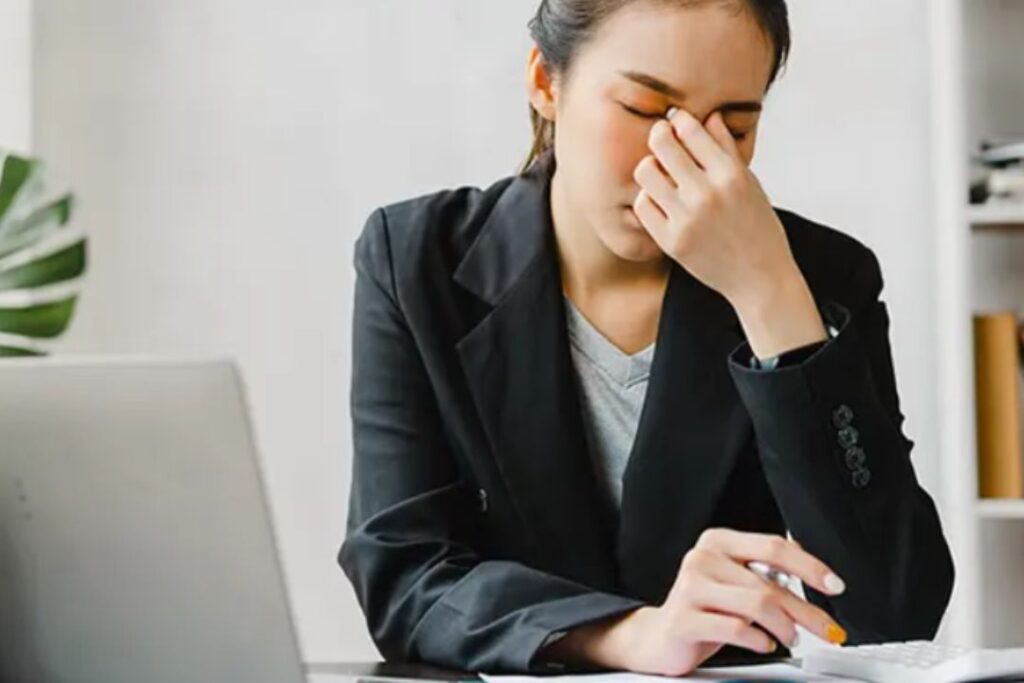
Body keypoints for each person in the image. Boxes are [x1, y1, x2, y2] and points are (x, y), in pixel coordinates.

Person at [338, 0, 955, 676]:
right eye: (643, 110)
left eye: (735, 128)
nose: (680, 159)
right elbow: (403, 575)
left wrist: (768, 294)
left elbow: (896, 614)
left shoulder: (820, 278)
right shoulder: (415, 261)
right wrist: (627, 632)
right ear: (547, 81)